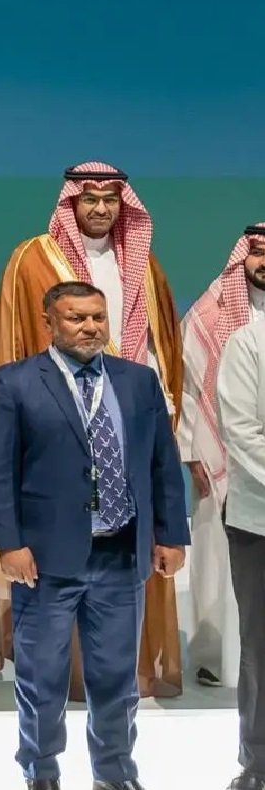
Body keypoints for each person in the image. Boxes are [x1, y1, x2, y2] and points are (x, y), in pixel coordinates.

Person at [0, 281, 188, 790]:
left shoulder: (138, 380)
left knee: (118, 677)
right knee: (41, 676)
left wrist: (171, 535)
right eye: (76, 318)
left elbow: (162, 463)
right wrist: (9, 543)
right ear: (49, 322)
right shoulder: (15, 382)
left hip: (121, 553)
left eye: (98, 317)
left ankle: (116, 773)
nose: (90, 327)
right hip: (45, 559)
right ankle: (42, 774)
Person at [0, 161, 184, 699]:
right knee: (42, 668)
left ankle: (124, 713)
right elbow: (12, 342)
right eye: (89, 198)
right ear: (70, 202)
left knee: (119, 662)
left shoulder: (144, 265)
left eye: (110, 199)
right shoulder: (32, 259)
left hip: (125, 423)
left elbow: (162, 346)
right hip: (52, 430)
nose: (100, 209)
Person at [180, 225, 265, 690]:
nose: (263, 261)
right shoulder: (210, 313)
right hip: (220, 457)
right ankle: (215, 658)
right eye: (257, 251)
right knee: (218, 558)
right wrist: (192, 450)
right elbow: (188, 388)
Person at [215, 281, 265, 790]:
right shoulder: (249, 342)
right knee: (262, 646)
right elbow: (243, 431)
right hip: (260, 521)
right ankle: (258, 764)